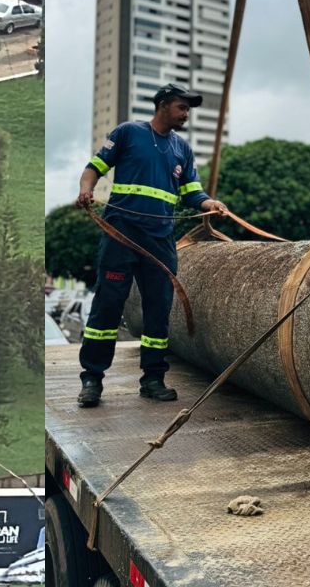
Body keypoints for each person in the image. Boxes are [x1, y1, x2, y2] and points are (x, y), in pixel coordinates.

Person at [74, 83, 228, 408]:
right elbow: (94, 168)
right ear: (162, 105)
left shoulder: (182, 149)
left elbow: (193, 193)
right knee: (108, 306)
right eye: (182, 108)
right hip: (121, 235)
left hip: (160, 240)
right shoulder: (129, 133)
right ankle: (92, 380)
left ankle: (153, 379)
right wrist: (86, 190)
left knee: (158, 311)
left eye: (188, 109)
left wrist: (210, 203)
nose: (186, 114)